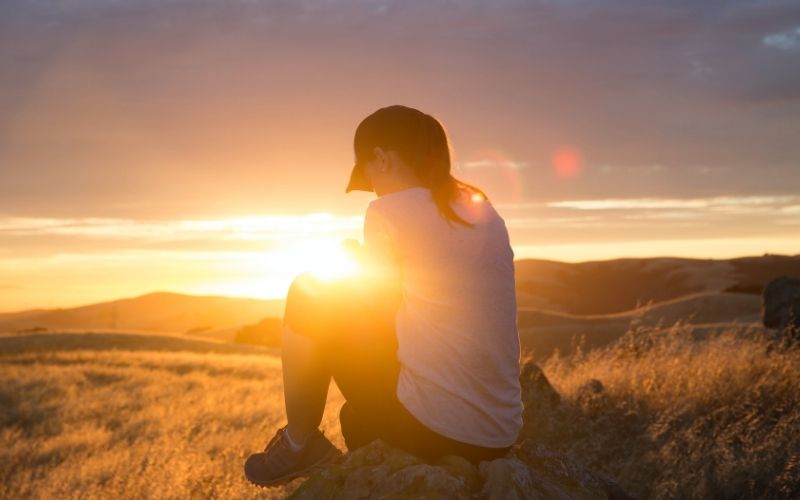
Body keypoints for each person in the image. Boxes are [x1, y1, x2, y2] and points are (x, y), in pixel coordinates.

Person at [244, 105, 523, 487]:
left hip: (436, 429)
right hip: (500, 436)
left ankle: (299, 442)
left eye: (369, 173)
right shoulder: (483, 210)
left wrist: (352, 263)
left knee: (307, 290)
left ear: (381, 158)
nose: (372, 186)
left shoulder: (387, 210)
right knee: (354, 420)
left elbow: (379, 313)